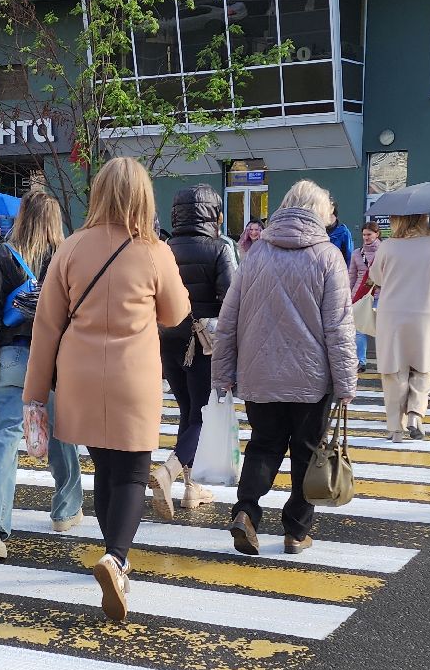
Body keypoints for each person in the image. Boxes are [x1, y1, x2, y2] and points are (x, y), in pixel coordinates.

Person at [24, 158, 190, 620]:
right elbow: (176, 314)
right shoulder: (154, 251)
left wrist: (34, 395)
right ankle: (117, 558)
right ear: (143, 197)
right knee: (134, 472)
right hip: (132, 377)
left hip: (79, 377)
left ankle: (112, 554)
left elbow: (46, 327)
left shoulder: (71, 249)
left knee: (104, 469)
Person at [212, 180, 356, 557]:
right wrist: (346, 383)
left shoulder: (256, 253)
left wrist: (223, 372)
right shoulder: (328, 257)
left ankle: (246, 513)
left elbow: (229, 318)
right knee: (307, 453)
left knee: (263, 445)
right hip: (311, 379)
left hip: (259, 374)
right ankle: (296, 532)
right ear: (321, 212)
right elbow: (339, 326)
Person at [0, 191, 82, 559]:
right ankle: (65, 510)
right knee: (62, 431)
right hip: (55, 358)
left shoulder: (2, 254)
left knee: (5, 436)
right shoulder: (66, 254)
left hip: (13, 354)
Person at [150, 184, 232, 520]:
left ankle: (191, 487)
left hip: (168, 337)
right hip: (203, 343)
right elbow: (232, 300)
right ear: (213, 213)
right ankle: (169, 471)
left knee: (187, 411)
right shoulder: (219, 248)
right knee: (201, 414)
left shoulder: (164, 247)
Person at [367, 213, 430, 442]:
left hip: (392, 315)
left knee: (394, 370)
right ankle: (415, 416)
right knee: (423, 366)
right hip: (424, 313)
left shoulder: (388, 246)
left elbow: (376, 276)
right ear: (423, 219)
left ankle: (394, 428)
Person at [348, 221, 382, 373]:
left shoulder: (385, 252)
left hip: (381, 295)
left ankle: (385, 362)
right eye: (364, 234)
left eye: (369, 234)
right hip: (360, 295)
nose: (366, 237)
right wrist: (348, 295)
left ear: (377, 234)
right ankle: (360, 362)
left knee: (382, 329)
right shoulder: (357, 253)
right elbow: (352, 276)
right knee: (359, 329)